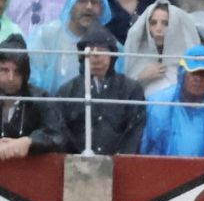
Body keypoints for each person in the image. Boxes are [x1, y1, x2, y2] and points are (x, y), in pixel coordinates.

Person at [49, 25, 144, 154]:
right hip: (76, 166)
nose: (95, 56)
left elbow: (134, 133)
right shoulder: (67, 91)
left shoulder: (131, 90)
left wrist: (122, 160)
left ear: (112, 54)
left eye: (101, 50)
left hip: (119, 166)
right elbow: (61, 131)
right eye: (90, 51)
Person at [140, 43, 204, 156]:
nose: (198, 79)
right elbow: (146, 149)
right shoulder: (158, 104)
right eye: (194, 72)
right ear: (182, 73)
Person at [27, 0, 111, 94]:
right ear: (69, 5)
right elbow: (32, 82)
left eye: (94, 2)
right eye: (82, 1)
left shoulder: (111, 45)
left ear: (102, 9)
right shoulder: (46, 36)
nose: (89, 7)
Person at [121, 0, 198, 92]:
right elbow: (121, 92)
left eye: (165, 23)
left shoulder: (190, 61)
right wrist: (141, 77)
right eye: (153, 23)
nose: (158, 29)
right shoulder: (137, 59)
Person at [0, 33, 53, 159]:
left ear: (26, 74)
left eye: (17, 71)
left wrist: (29, 142)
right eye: (4, 70)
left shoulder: (39, 98)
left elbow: (58, 135)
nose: (11, 78)